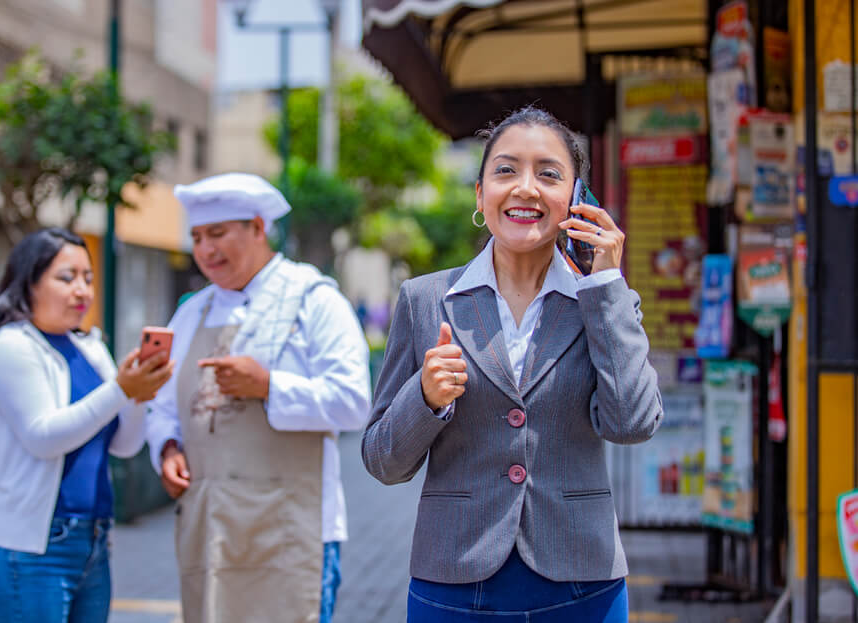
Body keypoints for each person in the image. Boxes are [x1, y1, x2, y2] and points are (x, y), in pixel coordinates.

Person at [362, 106, 663, 622]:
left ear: (575, 199)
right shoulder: (425, 299)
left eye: (548, 174)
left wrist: (607, 284)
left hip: (582, 583)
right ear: (480, 194)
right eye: (506, 170)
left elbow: (632, 423)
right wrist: (426, 398)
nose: (525, 188)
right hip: (453, 581)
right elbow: (383, 460)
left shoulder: (604, 301)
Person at [145, 173, 372, 623]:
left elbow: (354, 402)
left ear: (257, 227)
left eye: (218, 233)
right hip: (209, 527)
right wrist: (166, 447)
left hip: (291, 530)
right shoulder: (192, 311)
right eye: (197, 237)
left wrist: (269, 386)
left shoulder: (314, 300)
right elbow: (163, 406)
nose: (207, 250)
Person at [0, 228, 174, 623]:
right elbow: (43, 437)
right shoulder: (10, 346)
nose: (82, 291)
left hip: (93, 542)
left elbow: (125, 445)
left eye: (88, 278)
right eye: (66, 278)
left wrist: (138, 396)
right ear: (29, 282)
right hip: (34, 550)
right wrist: (120, 389)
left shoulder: (90, 347)